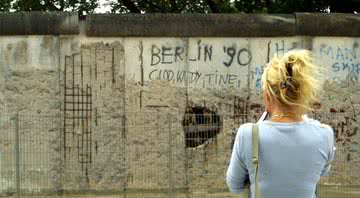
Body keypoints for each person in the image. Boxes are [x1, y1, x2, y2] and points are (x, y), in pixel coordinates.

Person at [226, 50, 335, 198]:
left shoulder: (248, 134)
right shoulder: (325, 134)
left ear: (267, 96)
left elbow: (235, 186)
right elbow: (322, 171)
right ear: (302, 94)